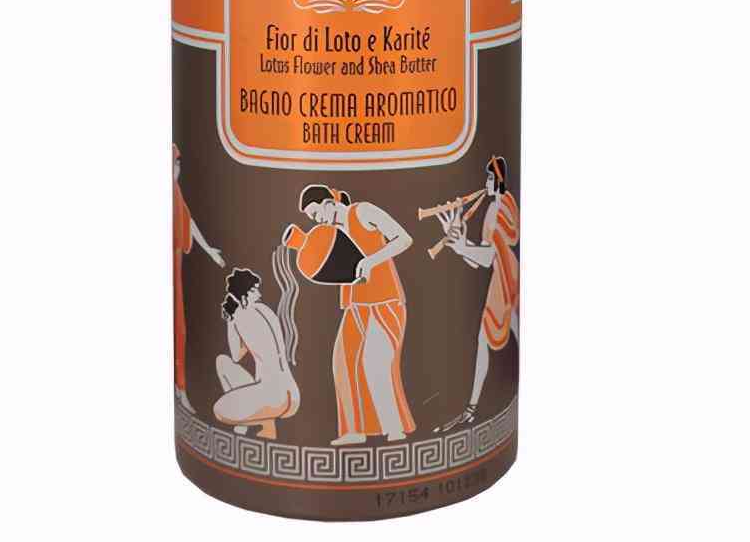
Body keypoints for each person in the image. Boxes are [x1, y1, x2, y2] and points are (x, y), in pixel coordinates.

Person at [299, 185, 416, 444]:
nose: (317, 221)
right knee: (343, 363)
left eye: (316, 214)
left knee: (375, 363)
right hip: (355, 306)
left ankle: (394, 429)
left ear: (329, 203)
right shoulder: (333, 232)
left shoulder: (362, 212)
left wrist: (371, 261)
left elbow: (404, 238)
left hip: (384, 300)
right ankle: (354, 431)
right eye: (312, 218)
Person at [436, 156, 520, 431]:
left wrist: (461, 246)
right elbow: (479, 259)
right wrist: (459, 241)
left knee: (493, 335)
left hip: (505, 275)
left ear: (498, 180)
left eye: (489, 178)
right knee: (503, 331)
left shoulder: (501, 206)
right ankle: (472, 409)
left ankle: (473, 409)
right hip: (502, 273)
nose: (486, 183)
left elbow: (487, 257)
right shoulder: (494, 207)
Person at [213, 268, 300, 439]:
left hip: (273, 397)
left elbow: (236, 356)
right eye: (254, 290)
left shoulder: (238, 316)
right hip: (292, 394)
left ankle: (247, 422)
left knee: (219, 410)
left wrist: (230, 321)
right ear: (244, 295)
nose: (259, 294)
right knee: (224, 362)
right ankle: (268, 428)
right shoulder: (265, 310)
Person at [172, 144, 224, 412]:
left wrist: (210, 251)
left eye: (177, 164)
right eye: (173, 163)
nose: (175, 169)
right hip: (176, 269)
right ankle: (181, 389)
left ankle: (182, 388)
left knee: (181, 326)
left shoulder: (176, 193)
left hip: (179, 268)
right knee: (179, 326)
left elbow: (188, 221)